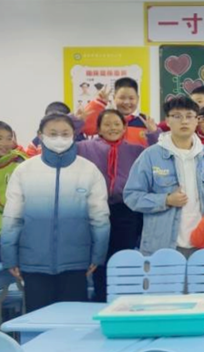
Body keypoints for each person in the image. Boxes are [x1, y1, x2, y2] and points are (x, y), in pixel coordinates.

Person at [1, 113, 110, 311]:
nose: (59, 138)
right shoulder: (24, 171)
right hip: (33, 262)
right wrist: (10, 257)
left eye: (65, 133)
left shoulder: (89, 171)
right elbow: (12, 219)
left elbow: (100, 218)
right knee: (37, 320)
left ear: (73, 135)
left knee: (72, 320)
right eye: (53, 133)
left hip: (76, 262)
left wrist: (97, 256)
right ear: (40, 135)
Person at [123, 96, 204, 258]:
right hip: (162, 245)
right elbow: (131, 196)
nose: (184, 121)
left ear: (197, 120)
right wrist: (165, 200)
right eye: (177, 116)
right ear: (167, 121)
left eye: (189, 116)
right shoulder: (150, 156)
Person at [77, 110, 145, 302]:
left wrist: (154, 133)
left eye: (117, 124)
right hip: (96, 209)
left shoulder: (136, 150)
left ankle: (124, 298)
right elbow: (64, 144)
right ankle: (101, 297)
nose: (112, 128)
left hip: (126, 210)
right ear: (98, 129)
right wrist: (78, 121)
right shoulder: (85, 147)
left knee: (124, 255)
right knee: (99, 256)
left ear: (124, 128)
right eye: (107, 124)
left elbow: (159, 153)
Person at [81, 78, 160, 147]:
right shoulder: (104, 119)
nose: (126, 102)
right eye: (122, 98)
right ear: (114, 97)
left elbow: (159, 147)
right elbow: (87, 129)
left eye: (131, 98)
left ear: (138, 98)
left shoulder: (146, 122)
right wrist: (98, 104)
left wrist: (154, 133)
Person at [0, 122, 26, 234]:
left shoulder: (20, 161)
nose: (5, 143)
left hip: (15, 225)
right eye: (0, 138)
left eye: (9, 138)